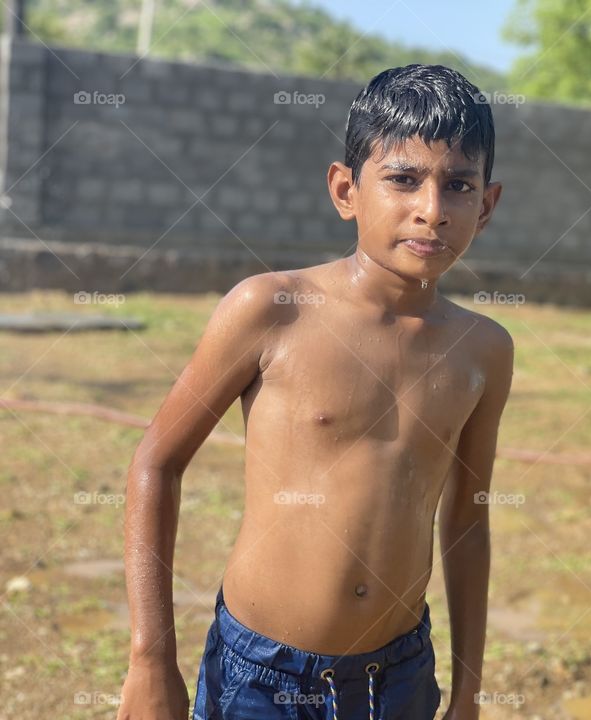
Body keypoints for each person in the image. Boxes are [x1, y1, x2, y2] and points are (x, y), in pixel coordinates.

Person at [116, 64, 513, 720]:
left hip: (399, 677)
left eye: (459, 185)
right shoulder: (272, 309)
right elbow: (156, 463)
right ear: (345, 190)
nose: (432, 210)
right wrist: (150, 659)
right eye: (403, 179)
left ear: (487, 205)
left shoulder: (484, 350)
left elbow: (468, 521)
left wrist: (469, 689)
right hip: (260, 677)